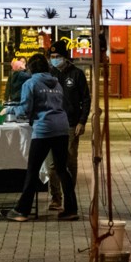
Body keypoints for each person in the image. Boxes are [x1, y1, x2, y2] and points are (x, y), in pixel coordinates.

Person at [7, 53, 79, 222]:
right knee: (62, 169)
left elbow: (24, 110)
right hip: (61, 127)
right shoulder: (57, 83)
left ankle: (22, 211)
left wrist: (10, 110)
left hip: (43, 129)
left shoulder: (30, 83)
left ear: (31, 68)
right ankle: (71, 209)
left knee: (32, 170)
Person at [46, 41, 89, 213]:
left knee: (69, 162)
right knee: (52, 165)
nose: (55, 60)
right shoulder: (49, 75)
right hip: (52, 124)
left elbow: (86, 99)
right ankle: (56, 198)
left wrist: (82, 121)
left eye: (58, 57)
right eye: (52, 57)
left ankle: (69, 198)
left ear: (66, 57)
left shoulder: (77, 74)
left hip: (71, 124)